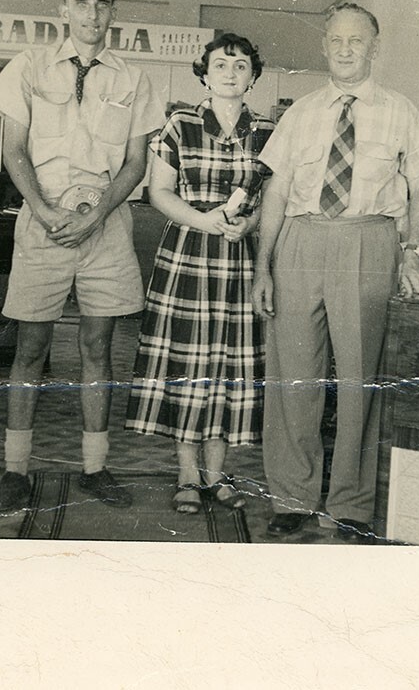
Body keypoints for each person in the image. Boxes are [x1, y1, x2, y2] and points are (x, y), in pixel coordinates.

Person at [252, 3, 419, 543]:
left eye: (355, 41)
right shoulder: (301, 112)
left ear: (374, 47)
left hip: (368, 240)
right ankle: (291, 496)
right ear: (324, 47)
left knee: (361, 378)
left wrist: (412, 252)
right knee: (293, 376)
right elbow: (274, 191)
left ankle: (351, 505)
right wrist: (262, 268)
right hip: (300, 240)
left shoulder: (400, 110)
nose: (343, 49)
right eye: (335, 40)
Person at [0, 0, 163, 511]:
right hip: (41, 226)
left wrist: (97, 213)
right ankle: (15, 470)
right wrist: (41, 210)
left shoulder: (133, 79)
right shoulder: (28, 66)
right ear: (63, 9)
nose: (92, 13)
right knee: (31, 348)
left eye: (102, 3)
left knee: (97, 348)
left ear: (113, 11)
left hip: (106, 228)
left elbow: (136, 165)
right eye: (81, 3)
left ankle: (95, 466)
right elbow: (13, 149)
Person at [125, 34, 274, 514]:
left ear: (253, 75)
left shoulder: (269, 131)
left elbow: (273, 199)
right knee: (188, 366)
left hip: (240, 257)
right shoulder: (180, 124)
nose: (230, 72)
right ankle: (188, 475)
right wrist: (204, 220)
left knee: (231, 366)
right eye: (220, 64)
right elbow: (159, 193)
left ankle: (217, 475)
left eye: (240, 65)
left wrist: (248, 224)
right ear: (204, 73)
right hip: (188, 253)